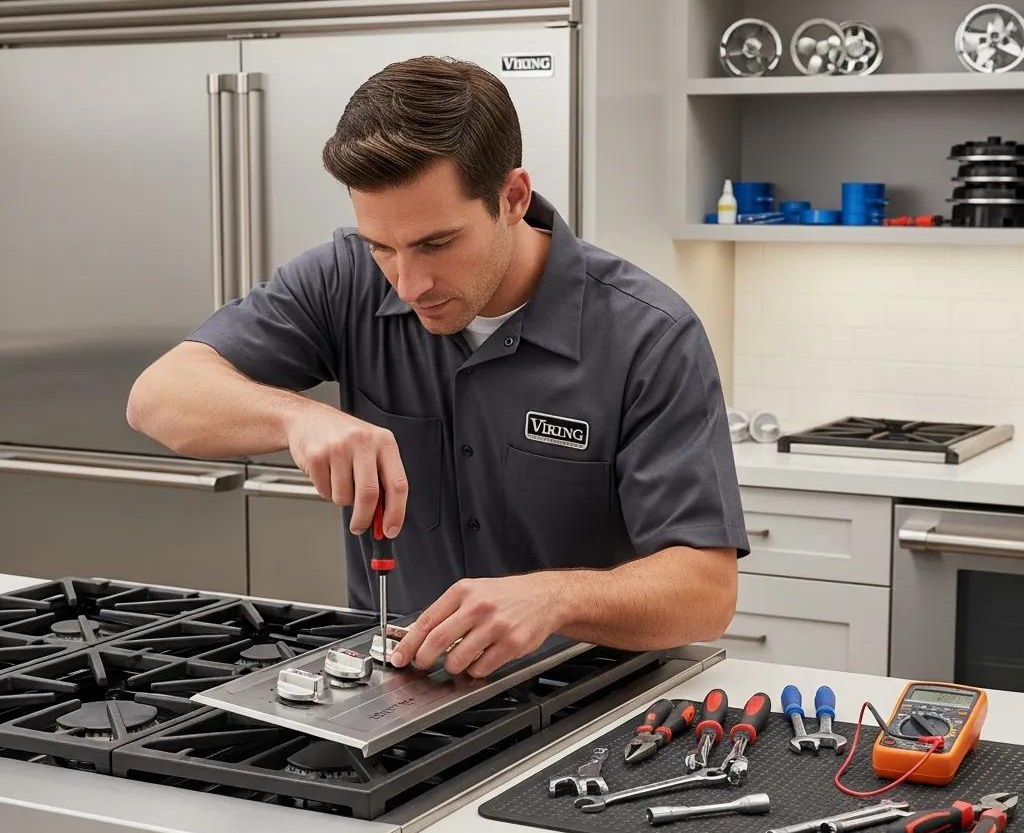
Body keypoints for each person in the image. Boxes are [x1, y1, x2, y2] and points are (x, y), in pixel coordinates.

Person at [127, 56, 748, 679]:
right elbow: (158, 398)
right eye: (383, 248)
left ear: (512, 197)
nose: (410, 282)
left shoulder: (649, 334)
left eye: (436, 243)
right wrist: (296, 418)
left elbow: (705, 593)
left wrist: (553, 598)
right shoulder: (344, 279)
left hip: (590, 710)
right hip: (398, 696)